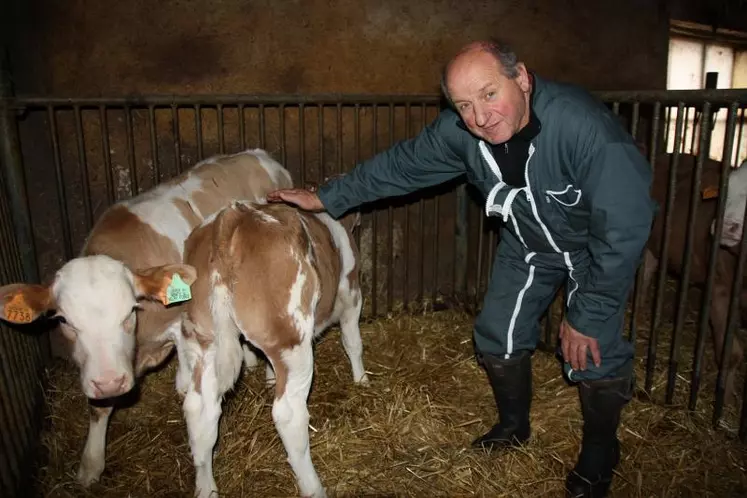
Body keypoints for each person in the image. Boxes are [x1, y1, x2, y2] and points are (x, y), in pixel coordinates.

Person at [267, 39, 655, 497]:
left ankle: (600, 453)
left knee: (594, 348)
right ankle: (513, 427)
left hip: (594, 248)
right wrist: (327, 198)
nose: (481, 117)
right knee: (496, 334)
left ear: (523, 79)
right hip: (529, 243)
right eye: (465, 105)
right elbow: (401, 165)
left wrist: (587, 314)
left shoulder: (585, 129)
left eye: (490, 94)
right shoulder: (461, 133)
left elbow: (623, 226)